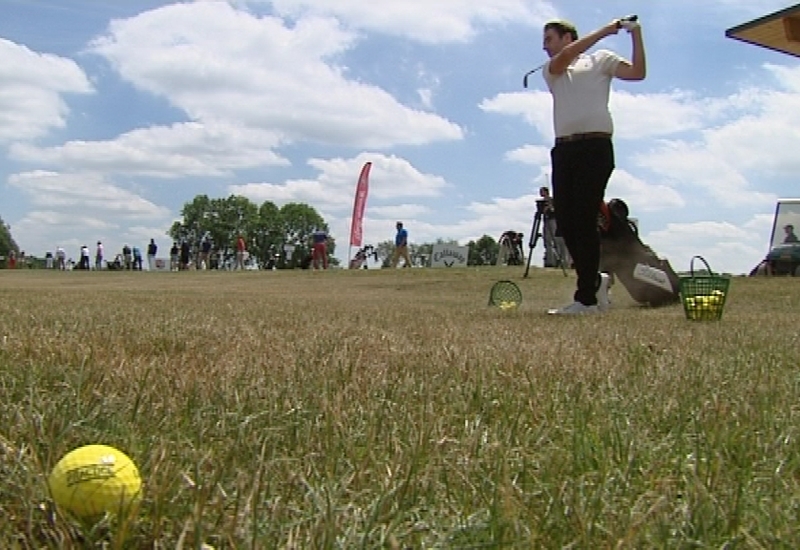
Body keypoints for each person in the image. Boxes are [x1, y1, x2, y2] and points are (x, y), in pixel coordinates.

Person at [542, 16, 646, 314]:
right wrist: (606, 29)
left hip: (595, 147)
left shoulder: (601, 59)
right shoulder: (554, 70)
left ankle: (586, 298)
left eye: (549, 39)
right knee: (567, 222)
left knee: (585, 217)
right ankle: (594, 281)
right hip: (564, 149)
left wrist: (634, 35)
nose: (545, 47)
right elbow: (563, 59)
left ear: (567, 36)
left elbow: (638, 73)